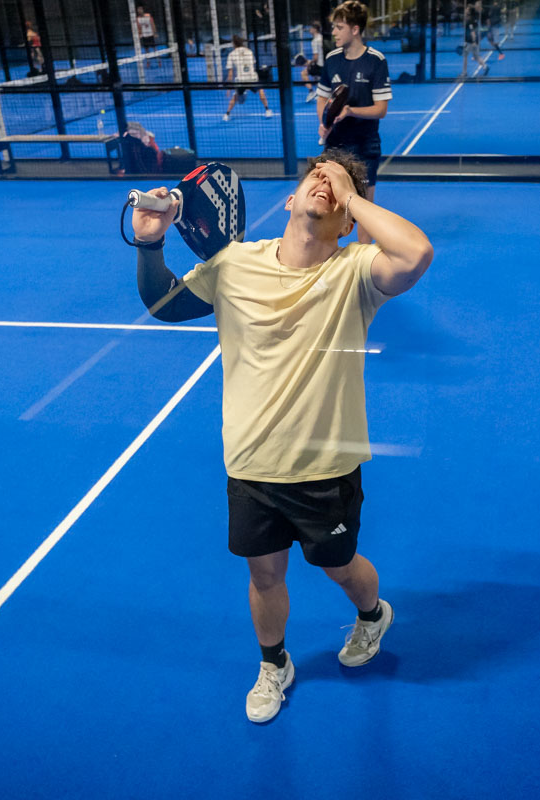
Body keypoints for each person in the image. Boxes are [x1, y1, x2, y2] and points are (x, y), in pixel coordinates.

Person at [130, 150, 434, 723]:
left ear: (349, 221)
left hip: (326, 469)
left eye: (336, 186)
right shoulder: (233, 264)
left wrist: (351, 195)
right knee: (264, 575)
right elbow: (165, 305)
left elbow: (416, 253)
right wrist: (150, 243)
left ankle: (373, 615)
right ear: (290, 200)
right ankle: (274, 663)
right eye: (316, 176)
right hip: (250, 464)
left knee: (340, 569)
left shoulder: (356, 271)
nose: (325, 182)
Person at [317, 1, 392, 244]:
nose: (334, 32)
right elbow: (322, 98)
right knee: (329, 202)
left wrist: (350, 111)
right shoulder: (331, 59)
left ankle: (363, 259)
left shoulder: (376, 61)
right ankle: (327, 256)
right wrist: (324, 121)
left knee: (364, 207)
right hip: (335, 144)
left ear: (355, 29)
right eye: (334, 27)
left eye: (339, 27)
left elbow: (381, 110)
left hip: (364, 144)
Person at [223, 35, 273, 121]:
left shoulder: (231, 54)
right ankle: (267, 110)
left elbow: (230, 73)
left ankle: (227, 114)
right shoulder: (249, 51)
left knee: (235, 96)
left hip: (241, 80)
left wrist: (229, 88)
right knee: (261, 91)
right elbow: (252, 64)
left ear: (234, 43)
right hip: (252, 78)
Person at [300, 21, 325, 102]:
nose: (309, 30)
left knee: (303, 73)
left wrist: (309, 62)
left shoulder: (314, 41)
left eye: (311, 28)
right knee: (316, 77)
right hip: (326, 64)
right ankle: (320, 93)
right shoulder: (322, 37)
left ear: (315, 29)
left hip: (319, 66)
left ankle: (311, 92)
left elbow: (316, 57)